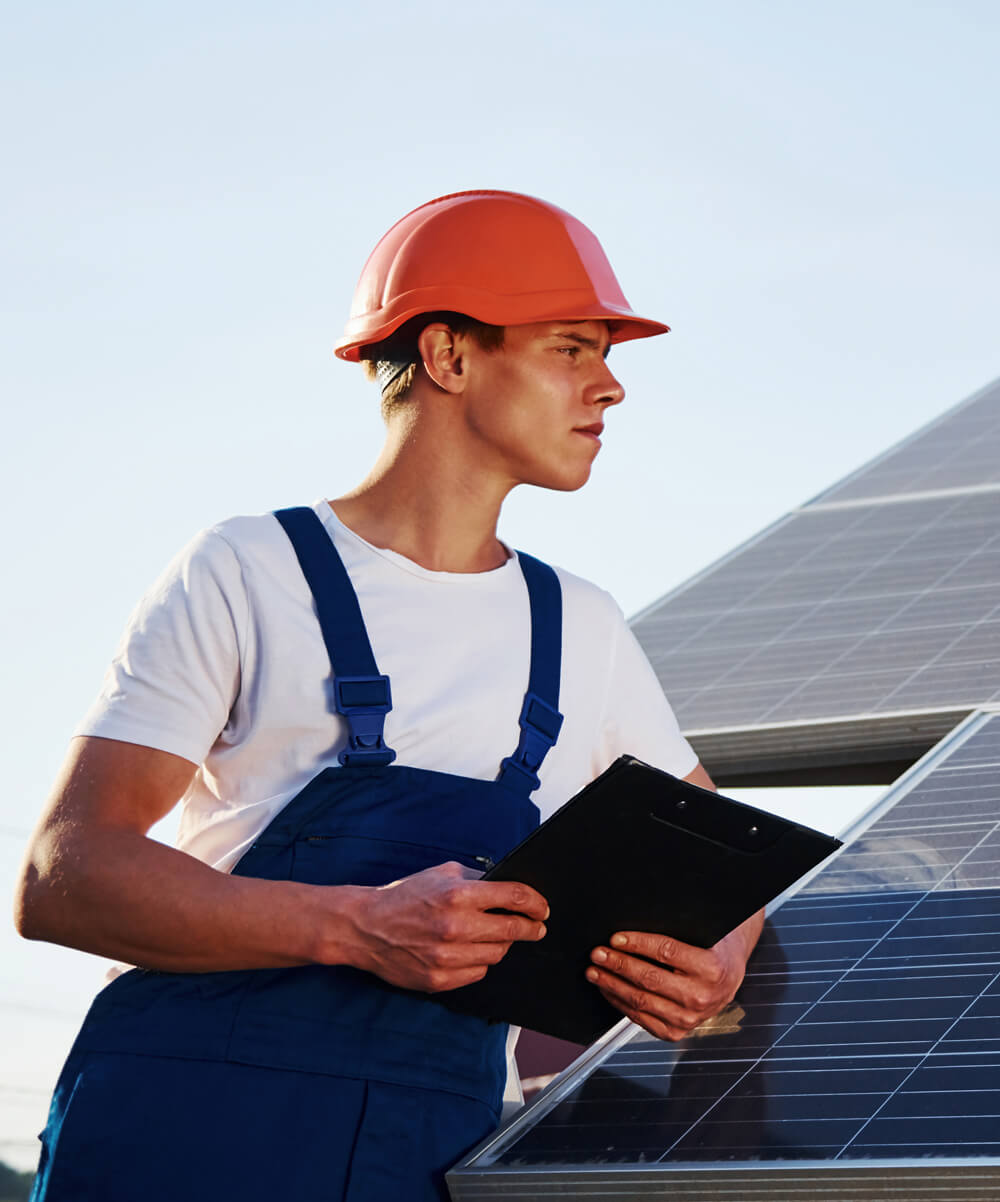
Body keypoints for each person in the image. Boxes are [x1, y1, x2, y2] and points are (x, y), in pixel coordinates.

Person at [15, 190, 763, 1201]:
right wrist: (352, 923)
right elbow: (66, 875)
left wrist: (716, 956)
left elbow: (726, 864)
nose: (611, 387)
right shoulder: (248, 567)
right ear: (450, 355)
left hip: (424, 1146)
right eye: (573, 349)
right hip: (182, 1131)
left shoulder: (579, 623)